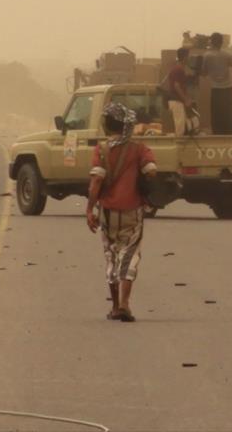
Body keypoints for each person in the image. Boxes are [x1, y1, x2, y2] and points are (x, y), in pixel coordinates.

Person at [86, 103, 157, 323]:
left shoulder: (101, 150)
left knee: (111, 255)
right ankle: (126, 304)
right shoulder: (139, 149)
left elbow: (96, 181)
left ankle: (115, 306)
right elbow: (152, 170)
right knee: (129, 255)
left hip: (107, 212)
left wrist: (90, 209)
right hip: (132, 211)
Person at [201, 32, 232, 135]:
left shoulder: (207, 56)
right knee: (228, 115)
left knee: (216, 116)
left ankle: (218, 137)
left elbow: (204, 73)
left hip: (216, 90)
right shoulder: (227, 55)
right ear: (221, 43)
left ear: (212, 42)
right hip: (228, 90)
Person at [166, 47, 197, 136]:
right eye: (188, 56)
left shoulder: (179, 69)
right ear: (184, 57)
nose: (189, 58)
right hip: (176, 101)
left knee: (183, 125)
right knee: (180, 128)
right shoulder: (178, 69)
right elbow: (177, 86)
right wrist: (186, 100)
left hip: (178, 101)